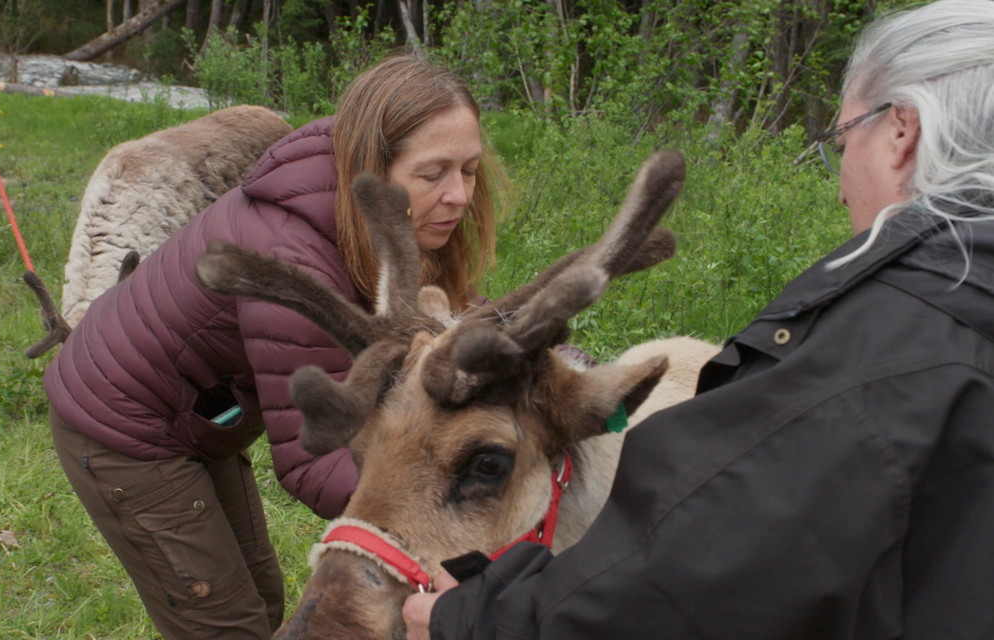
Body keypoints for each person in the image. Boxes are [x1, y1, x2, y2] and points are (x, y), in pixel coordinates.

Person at [404, 1, 994, 638]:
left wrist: (473, 621)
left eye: (842, 141)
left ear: (901, 130)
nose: (842, 186)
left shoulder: (884, 353)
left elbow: (687, 577)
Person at [44, 53, 502, 640]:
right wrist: (439, 522)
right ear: (372, 164)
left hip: (202, 414)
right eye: (434, 172)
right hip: (121, 430)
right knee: (223, 623)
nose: (460, 194)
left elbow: (451, 323)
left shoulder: (378, 213)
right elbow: (311, 459)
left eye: (469, 170)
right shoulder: (294, 262)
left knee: (260, 600)